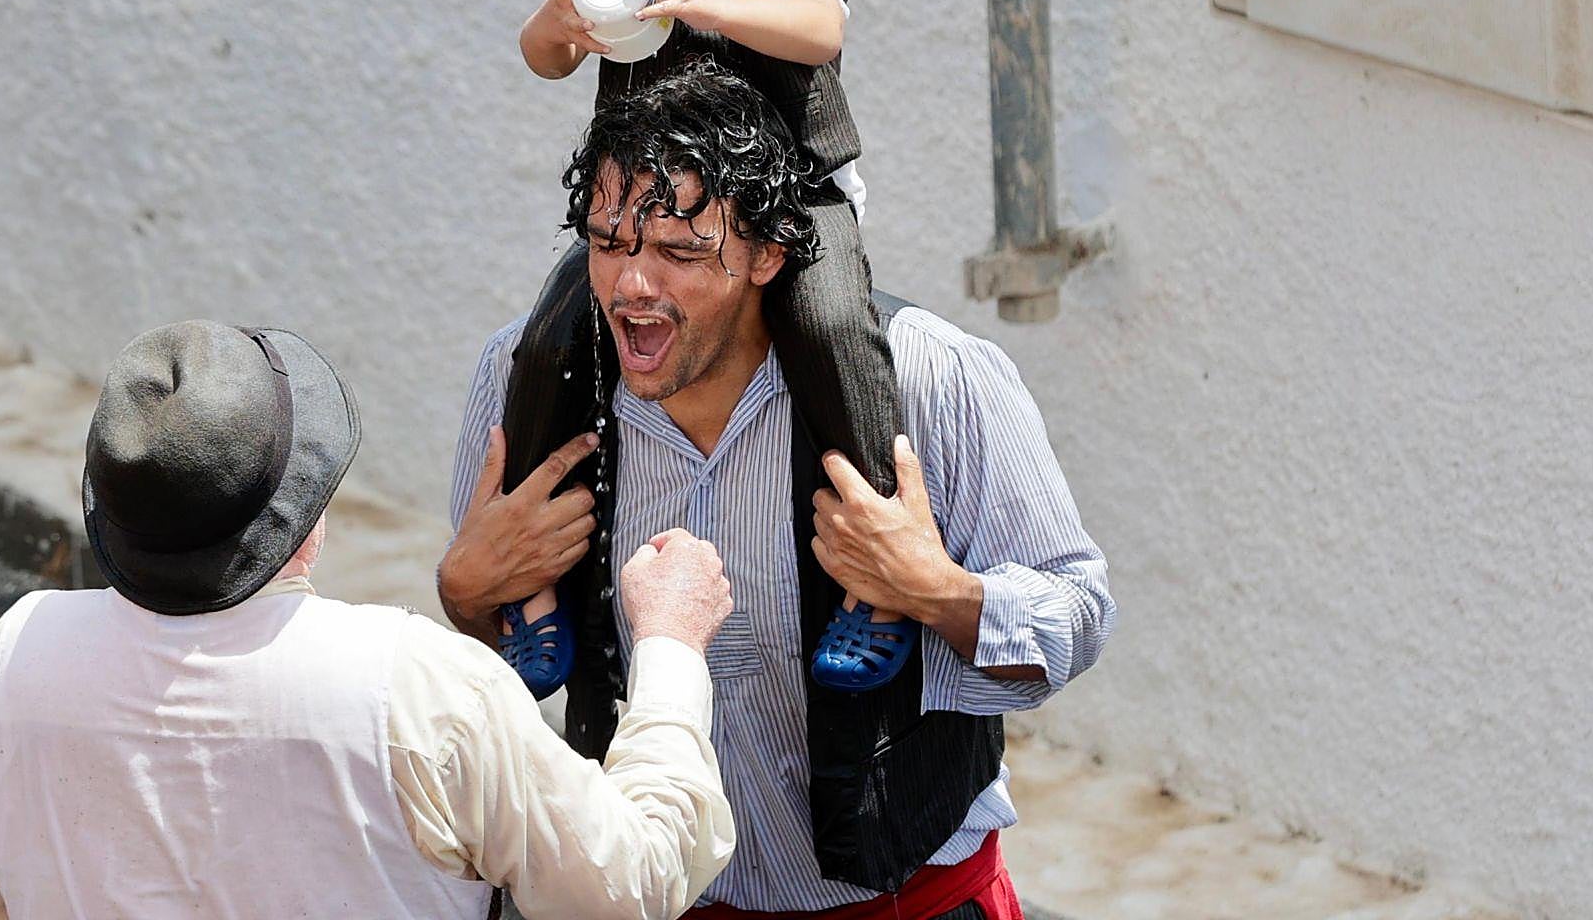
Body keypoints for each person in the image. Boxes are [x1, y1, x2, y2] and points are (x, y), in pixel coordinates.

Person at [440, 73, 1115, 917]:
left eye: (681, 253)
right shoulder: (529, 384)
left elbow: (1078, 620)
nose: (630, 287)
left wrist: (936, 592)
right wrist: (464, 595)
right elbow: (490, 680)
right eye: (609, 244)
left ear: (767, 252)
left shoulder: (932, 378)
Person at [0, 320, 739, 920]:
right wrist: (670, 644)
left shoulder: (8, 660)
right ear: (304, 517)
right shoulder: (416, 686)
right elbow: (631, 883)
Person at [504, 0, 909, 699]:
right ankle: (533, 578)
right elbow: (543, 57)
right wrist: (564, 23)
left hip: (792, 199)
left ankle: (879, 570)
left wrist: (704, 1)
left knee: (830, 326)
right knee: (548, 344)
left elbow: (820, 28)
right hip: (650, 217)